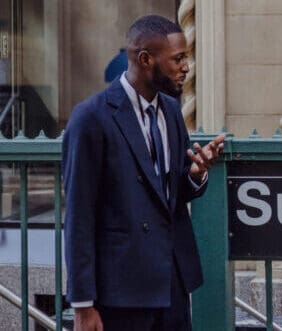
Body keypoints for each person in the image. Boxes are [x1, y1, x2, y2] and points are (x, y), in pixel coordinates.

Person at [62, 15, 225, 331]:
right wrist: (82, 304)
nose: (186, 67)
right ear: (146, 59)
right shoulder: (90, 118)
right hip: (121, 294)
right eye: (178, 58)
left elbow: (170, 193)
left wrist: (195, 174)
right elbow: (79, 216)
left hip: (173, 286)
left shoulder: (172, 111)